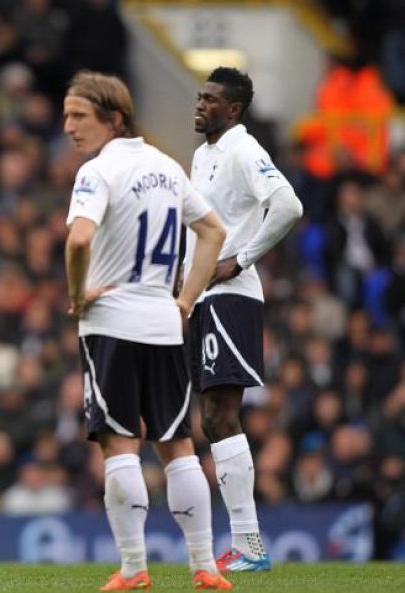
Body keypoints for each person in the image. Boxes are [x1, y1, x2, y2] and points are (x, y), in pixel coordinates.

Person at [64, 71, 231, 591]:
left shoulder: (98, 171)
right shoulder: (166, 166)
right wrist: (184, 299)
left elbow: (78, 241)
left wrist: (75, 296)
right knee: (177, 445)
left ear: (114, 118)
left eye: (78, 116)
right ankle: (204, 565)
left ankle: (134, 569)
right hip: (163, 324)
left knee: (119, 445)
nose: (68, 126)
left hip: (111, 321)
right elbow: (214, 231)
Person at [188, 67, 304, 573]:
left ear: (232, 110)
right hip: (207, 297)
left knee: (220, 415)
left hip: (232, 295)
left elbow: (288, 205)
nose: (200, 104)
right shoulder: (203, 154)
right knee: (211, 418)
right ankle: (245, 544)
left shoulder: (242, 149)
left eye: (210, 99)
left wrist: (242, 258)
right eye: (200, 96)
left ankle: (250, 545)